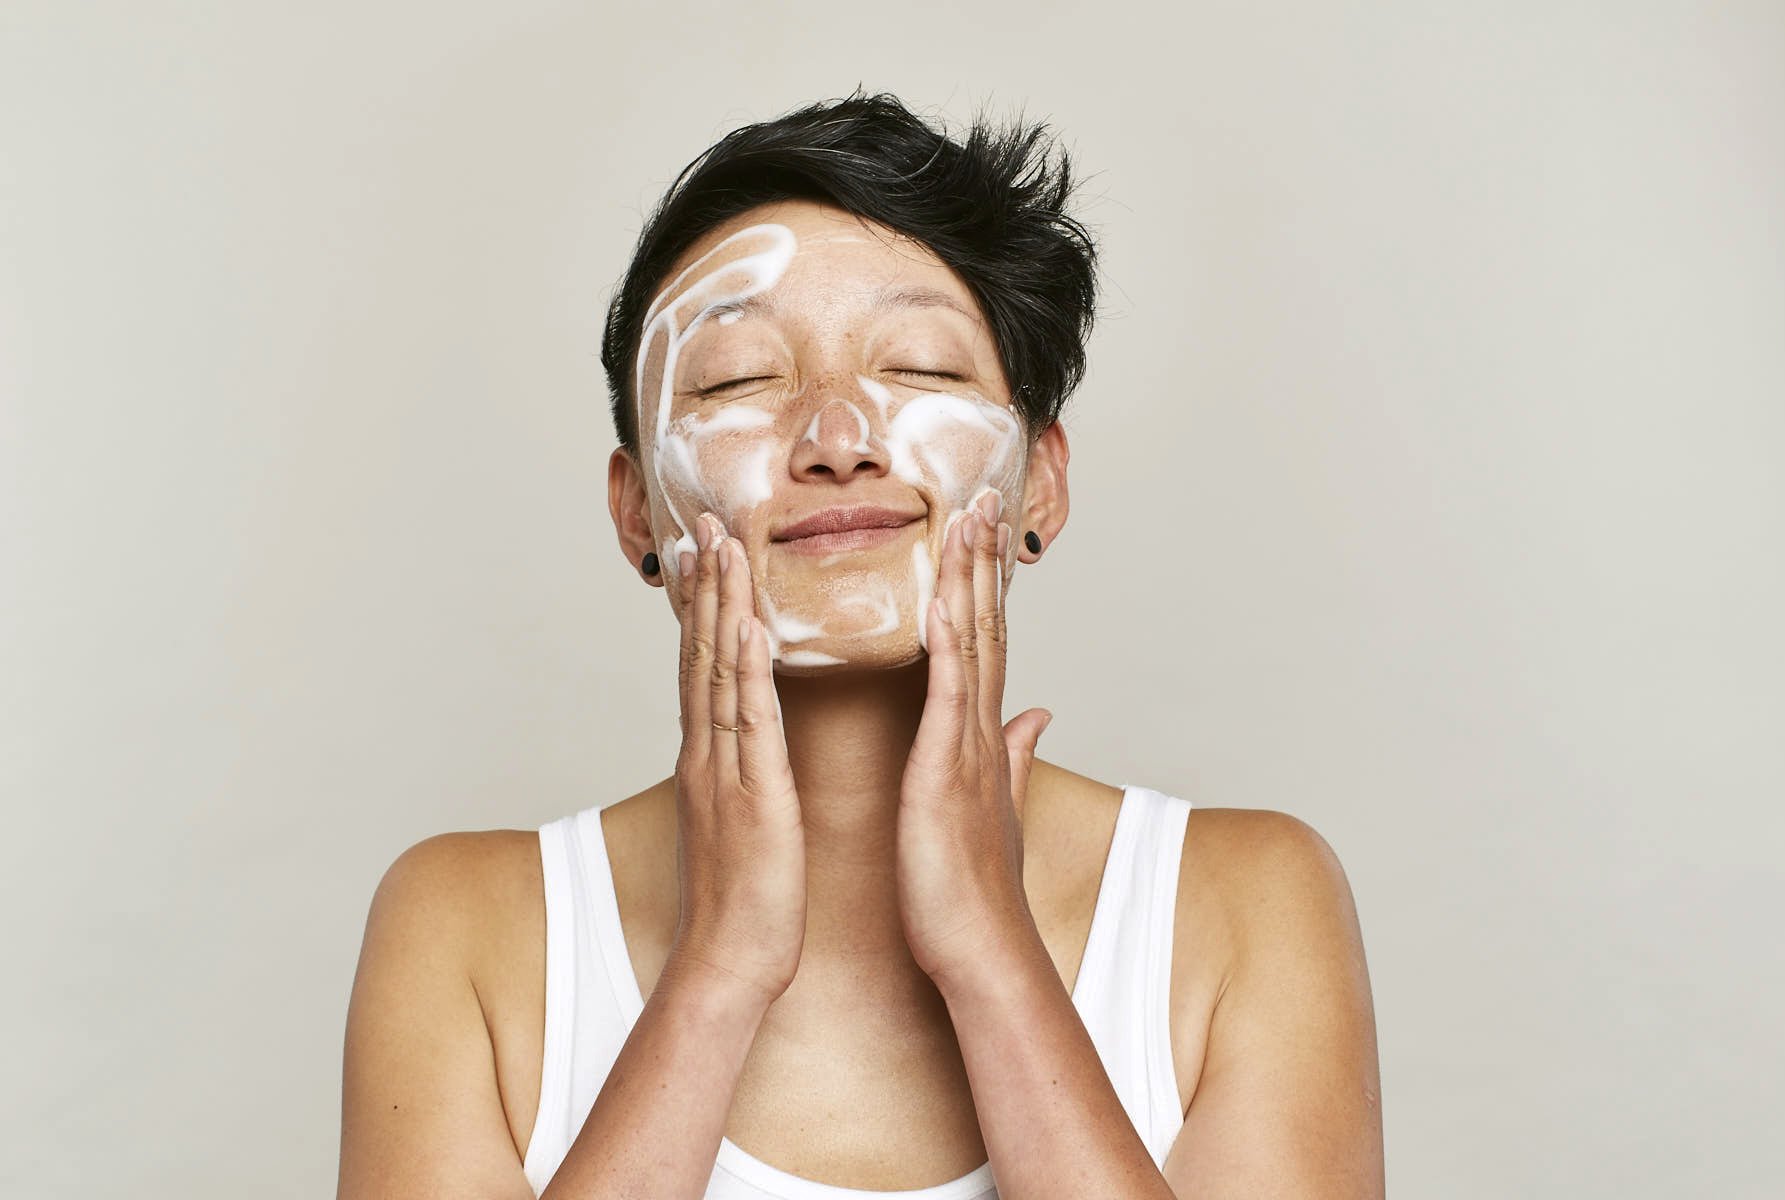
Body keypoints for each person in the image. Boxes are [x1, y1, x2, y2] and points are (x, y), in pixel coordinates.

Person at [336, 91, 1383, 1199]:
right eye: (739, 380)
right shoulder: (465, 932)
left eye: (922, 371)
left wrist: (989, 950)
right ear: (637, 510)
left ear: (1044, 479)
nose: (837, 440)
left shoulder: (1246, 907)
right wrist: (719, 966)